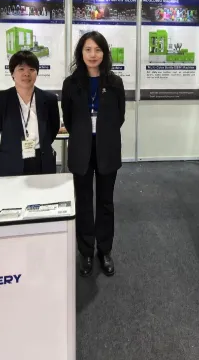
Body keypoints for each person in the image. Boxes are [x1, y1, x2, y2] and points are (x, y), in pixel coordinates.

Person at [62, 31, 125, 277]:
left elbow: (119, 116)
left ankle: (104, 250)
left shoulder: (115, 83)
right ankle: (86, 251)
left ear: (104, 53)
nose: (93, 54)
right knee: (84, 201)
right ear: (81, 53)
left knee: (106, 202)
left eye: (98, 50)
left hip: (107, 148)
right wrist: (84, 133)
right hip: (81, 149)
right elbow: (68, 117)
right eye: (88, 49)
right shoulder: (71, 83)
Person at [0, 51, 60, 177]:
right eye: (21, 69)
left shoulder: (49, 99)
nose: (26, 73)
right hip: (10, 163)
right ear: (12, 74)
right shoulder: (2, 99)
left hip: (41, 162)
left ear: (37, 73)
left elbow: (53, 129)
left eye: (31, 69)